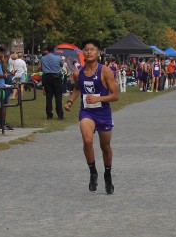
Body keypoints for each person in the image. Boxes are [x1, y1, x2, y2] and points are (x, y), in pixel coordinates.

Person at [64, 39, 120, 194]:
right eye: (86, 49)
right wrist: (70, 101)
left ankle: (107, 174)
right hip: (87, 112)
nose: (89, 52)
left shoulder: (105, 71)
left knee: (105, 147)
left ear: (98, 53)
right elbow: (77, 88)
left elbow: (115, 96)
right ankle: (93, 172)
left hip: (103, 113)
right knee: (87, 140)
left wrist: (98, 99)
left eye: (92, 49)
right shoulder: (78, 73)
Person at [40, 45, 65, 120]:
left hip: (47, 77)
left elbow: (42, 67)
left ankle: (49, 114)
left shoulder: (43, 58)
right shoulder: (58, 58)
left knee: (48, 97)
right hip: (56, 77)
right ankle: (60, 114)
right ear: (53, 50)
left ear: (47, 50)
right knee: (58, 97)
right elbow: (61, 65)